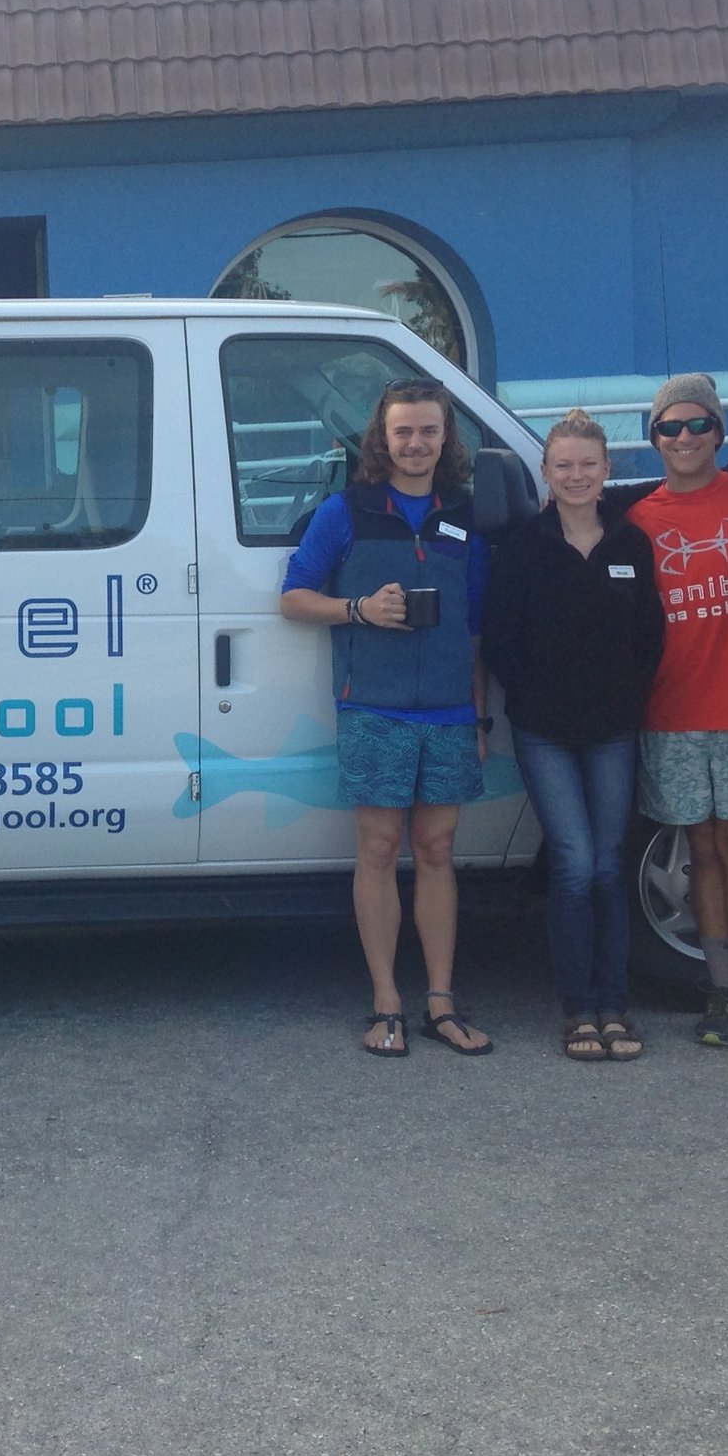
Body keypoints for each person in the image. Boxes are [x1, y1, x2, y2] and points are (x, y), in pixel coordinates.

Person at [278, 379, 494, 1058]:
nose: (416, 442)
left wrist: (480, 717)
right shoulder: (346, 511)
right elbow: (293, 597)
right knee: (376, 850)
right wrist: (359, 610)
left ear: (445, 438)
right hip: (373, 706)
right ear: (382, 437)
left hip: (451, 712)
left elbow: (477, 630)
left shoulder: (464, 515)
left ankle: (440, 1002)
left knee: (436, 852)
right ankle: (385, 1002)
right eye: (403, 430)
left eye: (428, 430)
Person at [482, 410, 664, 1061]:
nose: (577, 475)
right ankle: (577, 1008)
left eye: (588, 464)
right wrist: (534, 696)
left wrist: (626, 697)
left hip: (613, 730)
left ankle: (614, 1004)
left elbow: (650, 638)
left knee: (611, 866)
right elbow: (500, 639)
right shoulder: (523, 547)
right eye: (564, 465)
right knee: (576, 862)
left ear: (606, 469)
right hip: (546, 733)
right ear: (547, 472)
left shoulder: (630, 545)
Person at [624, 373, 728, 1051]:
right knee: (700, 851)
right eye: (671, 426)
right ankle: (718, 988)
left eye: (698, 424)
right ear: (654, 437)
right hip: (672, 710)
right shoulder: (639, 518)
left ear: (720, 432)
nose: (685, 437)